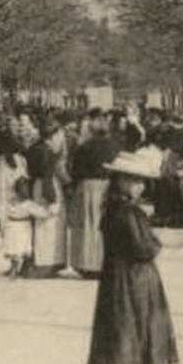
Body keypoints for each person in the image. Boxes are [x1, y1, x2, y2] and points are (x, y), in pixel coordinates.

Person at [84, 148, 179, 364]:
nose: (140, 186)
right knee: (146, 328)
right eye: (135, 180)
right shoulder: (131, 213)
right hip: (138, 279)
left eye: (141, 181)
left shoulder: (110, 209)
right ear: (121, 180)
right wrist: (156, 243)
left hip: (114, 277)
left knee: (117, 330)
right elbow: (144, 249)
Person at [66, 110, 119, 277]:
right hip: (108, 186)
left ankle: (86, 263)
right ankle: (104, 263)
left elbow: (76, 170)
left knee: (87, 225)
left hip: (87, 186)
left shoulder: (84, 147)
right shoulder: (115, 146)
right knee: (104, 225)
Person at [24, 121, 68, 277]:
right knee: (48, 226)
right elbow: (47, 177)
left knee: (38, 225)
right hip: (46, 188)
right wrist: (53, 199)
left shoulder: (33, 149)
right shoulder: (48, 153)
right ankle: (47, 264)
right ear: (52, 136)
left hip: (35, 187)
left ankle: (36, 262)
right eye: (59, 135)